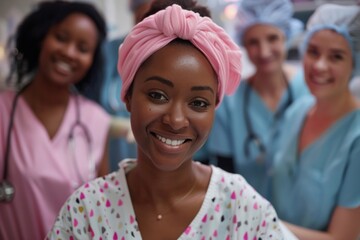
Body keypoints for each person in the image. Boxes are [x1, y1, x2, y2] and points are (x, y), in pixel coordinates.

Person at [46, 3, 284, 239]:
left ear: (215, 109)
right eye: (157, 95)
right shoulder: (85, 212)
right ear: (127, 96)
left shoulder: (245, 212)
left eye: (199, 103)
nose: (176, 120)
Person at [0, 1, 111, 239]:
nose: (69, 52)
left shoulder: (96, 121)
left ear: (91, 60)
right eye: (61, 38)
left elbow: (104, 209)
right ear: (40, 37)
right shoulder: (2, 112)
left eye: (82, 48)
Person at [271, 4, 360, 239]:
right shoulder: (297, 112)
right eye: (313, 52)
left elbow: (343, 238)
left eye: (336, 57)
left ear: (355, 64)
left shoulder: (356, 136)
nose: (319, 66)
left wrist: (261, 221)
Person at [204, 0, 309, 199]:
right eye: (253, 42)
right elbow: (225, 173)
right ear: (243, 44)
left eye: (272, 38)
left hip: (302, 220)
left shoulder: (308, 91)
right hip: (247, 218)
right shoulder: (230, 101)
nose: (264, 51)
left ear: (286, 36)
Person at [98, 0, 152, 171]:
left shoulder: (177, 55)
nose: (151, 22)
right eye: (144, 16)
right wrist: (109, 124)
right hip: (111, 163)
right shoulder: (108, 52)